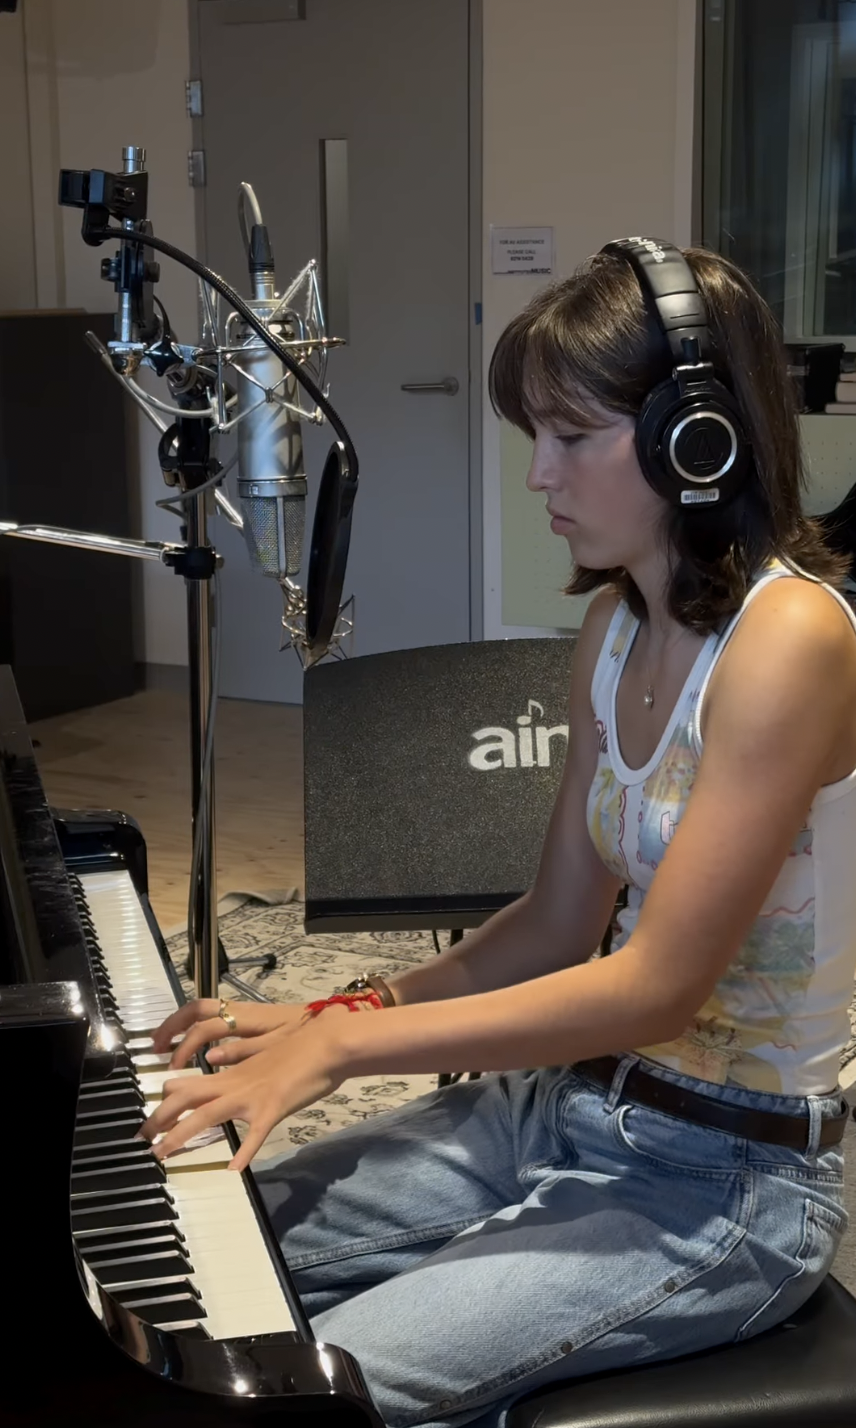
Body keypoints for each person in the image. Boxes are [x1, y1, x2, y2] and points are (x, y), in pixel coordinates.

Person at [143, 239, 856, 1428]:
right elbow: (556, 924)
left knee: (314, 1392)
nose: (538, 475)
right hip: (563, 1107)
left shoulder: (793, 642)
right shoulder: (616, 628)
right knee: (205, 1265)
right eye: (535, 435)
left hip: (727, 1183)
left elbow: (654, 988)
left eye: (570, 435)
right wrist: (342, 1010)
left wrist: (342, 1052)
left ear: (696, 438)